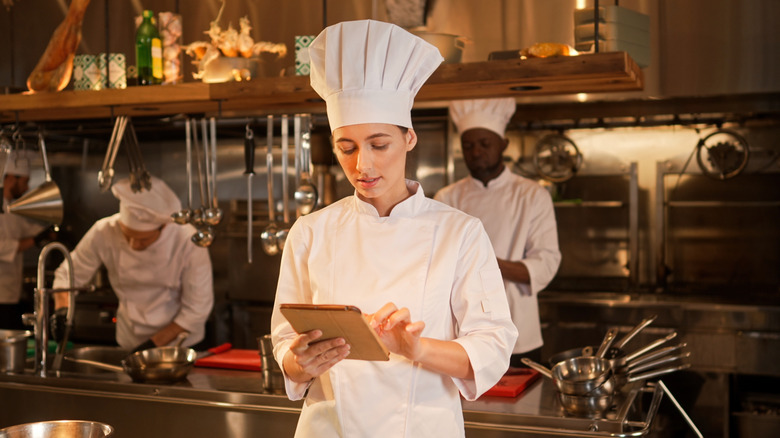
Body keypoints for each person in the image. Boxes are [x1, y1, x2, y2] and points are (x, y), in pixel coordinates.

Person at [270, 20, 517, 438]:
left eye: (379, 144)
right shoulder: (310, 232)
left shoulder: (459, 233)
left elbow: (491, 348)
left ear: (409, 138)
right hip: (329, 428)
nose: (363, 165)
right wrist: (299, 362)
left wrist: (415, 349)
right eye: (346, 148)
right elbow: (283, 341)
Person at [435, 98, 561, 366]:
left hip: (519, 332)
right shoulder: (447, 197)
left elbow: (546, 262)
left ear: (503, 144)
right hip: (462, 334)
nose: (476, 152)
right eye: (468, 146)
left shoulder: (532, 195)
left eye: (484, 144)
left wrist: (483, 263)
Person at [51, 175, 213, 351]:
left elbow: (196, 309)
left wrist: (151, 345)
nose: (133, 245)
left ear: (163, 227)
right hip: (129, 339)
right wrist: (62, 311)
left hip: (179, 345)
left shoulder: (187, 239)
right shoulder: (104, 231)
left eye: (143, 240)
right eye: (127, 236)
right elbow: (67, 275)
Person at [0, 151, 49, 330]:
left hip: (11, 293)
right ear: (12, 178)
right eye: (25, 182)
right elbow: (2, 247)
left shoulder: (10, 207)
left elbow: (27, 229)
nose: (27, 188)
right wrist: (37, 239)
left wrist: (50, 232)